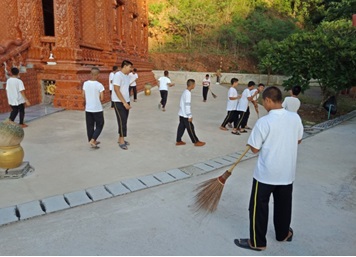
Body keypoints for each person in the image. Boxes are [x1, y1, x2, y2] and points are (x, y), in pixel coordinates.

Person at [234, 86, 303, 252]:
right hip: (286, 173)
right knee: (284, 205)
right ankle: (283, 234)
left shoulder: (264, 122)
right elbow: (298, 140)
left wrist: (254, 143)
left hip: (266, 174)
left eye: (264, 101)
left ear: (268, 100)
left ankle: (258, 242)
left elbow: (255, 149)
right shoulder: (295, 118)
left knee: (259, 207)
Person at [176, 79, 205, 147]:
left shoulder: (185, 91)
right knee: (190, 128)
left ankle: (178, 140)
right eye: (194, 84)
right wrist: (189, 115)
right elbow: (187, 105)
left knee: (181, 127)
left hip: (181, 113)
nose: (194, 85)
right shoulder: (188, 93)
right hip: (185, 115)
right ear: (192, 85)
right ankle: (196, 141)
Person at [112, 60, 133, 150]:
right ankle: (121, 141)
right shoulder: (118, 75)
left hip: (126, 101)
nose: (131, 69)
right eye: (129, 67)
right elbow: (116, 90)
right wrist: (124, 102)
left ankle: (120, 138)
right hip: (118, 102)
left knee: (124, 120)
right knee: (121, 121)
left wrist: (127, 102)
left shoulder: (127, 76)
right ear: (124, 66)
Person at [82, 67, 105, 149]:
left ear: (90, 74)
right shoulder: (99, 85)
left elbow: (83, 95)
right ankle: (93, 139)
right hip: (97, 108)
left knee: (90, 125)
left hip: (88, 108)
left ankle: (91, 139)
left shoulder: (85, 84)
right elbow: (102, 98)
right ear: (98, 75)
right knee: (100, 124)